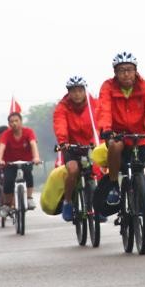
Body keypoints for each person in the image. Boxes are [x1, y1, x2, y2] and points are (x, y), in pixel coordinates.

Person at [96, 52, 145, 243]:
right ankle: (113, 186)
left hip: (140, 138)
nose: (126, 74)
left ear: (136, 71)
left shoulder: (144, 87)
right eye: (121, 71)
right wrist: (107, 129)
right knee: (115, 147)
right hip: (117, 135)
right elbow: (104, 109)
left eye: (129, 70)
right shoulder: (108, 87)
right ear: (115, 73)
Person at [53, 75, 98, 222]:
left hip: (90, 146)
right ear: (68, 92)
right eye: (73, 91)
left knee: (98, 170)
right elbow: (60, 125)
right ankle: (68, 202)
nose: (77, 94)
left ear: (85, 91)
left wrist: (98, 140)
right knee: (73, 170)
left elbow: (99, 123)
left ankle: (99, 205)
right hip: (71, 147)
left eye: (80, 90)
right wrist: (63, 141)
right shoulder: (62, 107)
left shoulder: (94, 105)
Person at [0, 113, 41, 212]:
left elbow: (33, 144)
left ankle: (29, 198)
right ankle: (7, 204)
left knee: (28, 174)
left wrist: (36, 157)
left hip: (26, 161)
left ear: (21, 121)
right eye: (11, 122)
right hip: (10, 163)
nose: (14, 123)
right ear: (9, 124)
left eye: (16, 121)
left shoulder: (28, 132)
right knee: (8, 182)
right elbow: (1, 147)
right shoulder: (6, 134)